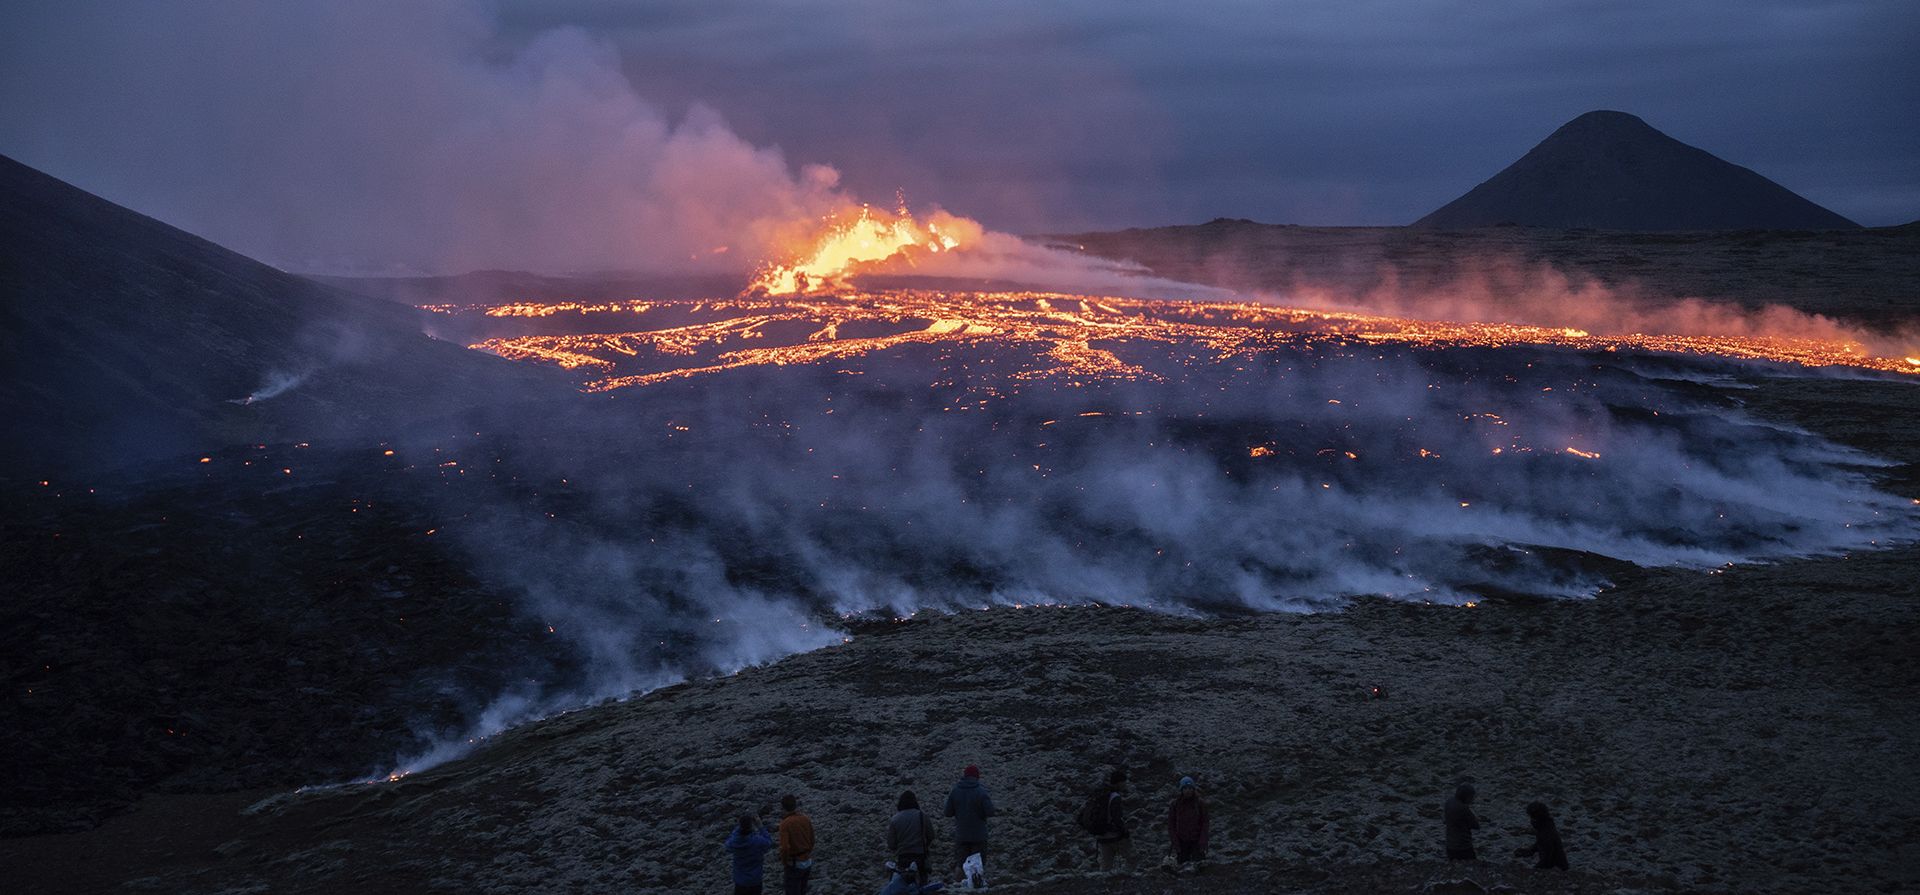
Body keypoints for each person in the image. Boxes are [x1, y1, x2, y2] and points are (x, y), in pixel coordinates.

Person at [944, 764, 996, 882]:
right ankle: (976, 888)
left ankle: (958, 888)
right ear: (977, 777)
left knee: (961, 864)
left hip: (962, 835)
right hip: (979, 835)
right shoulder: (981, 792)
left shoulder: (955, 791)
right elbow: (990, 812)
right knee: (977, 866)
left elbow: (947, 812)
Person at [886, 790, 936, 886]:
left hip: (903, 857)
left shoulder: (895, 819)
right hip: (920, 856)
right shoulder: (922, 816)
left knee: (904, 885)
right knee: (922, 885)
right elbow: (931, 835)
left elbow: (891, 844)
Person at [725, 812, 775, 895]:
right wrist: (760, 826)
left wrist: (739, 828)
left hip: (740, 881)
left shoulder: (735, 843)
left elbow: (728, 845)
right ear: (751, 826)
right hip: (755, 880)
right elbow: (769, 842)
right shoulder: (757, 841)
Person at [777, 794, 817, 894]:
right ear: (795, 805)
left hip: (794, 863)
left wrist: (785, 861)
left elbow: (785, 847)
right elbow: (812, 839)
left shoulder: (785, 824)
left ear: (783, 807)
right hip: (807, 861)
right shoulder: (805, 819)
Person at [1166, 776, 1209, 866]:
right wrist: (1176, 843)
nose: (1188, 790)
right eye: (1185, 788)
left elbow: (1205, 823)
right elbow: (1171, 825)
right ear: (1181, 790)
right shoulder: (1175, 804)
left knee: (1199, 868)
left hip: (1197, 841)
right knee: (1182, 869)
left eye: (1190, 788)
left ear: (1193, 789)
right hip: (1181, 842)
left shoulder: (1200, 804)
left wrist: (1203, 842)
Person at [1515, 801, 1568, 870]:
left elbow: (1547, 859)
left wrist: (1535, 870)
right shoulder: (1547, 826)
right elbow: (1540, 844)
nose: (1531, 821)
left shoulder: (1546, 832)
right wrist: (1530, 851)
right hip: (1559, 868)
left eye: (1533, 818)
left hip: (1557, 870)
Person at [1097, 769, 1132, 871]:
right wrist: (1124, 831)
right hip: (1114, 835)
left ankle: (1105, 886)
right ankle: (1126, 881)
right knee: (1132, 858)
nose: (1125, 784)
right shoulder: (1115, 797)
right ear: (1120, 782)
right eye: (1124, 782)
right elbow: (1117, 818)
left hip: (1101, 835)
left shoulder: (1101, 794)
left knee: (1105, 866)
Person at [1443, 783, 1480, 861]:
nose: (1472, 799)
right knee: (1473, 866)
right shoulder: (1463, 809)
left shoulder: (1449, 802)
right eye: (1471, 797)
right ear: (1466, 797)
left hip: (1450, 844)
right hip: (1463, 846)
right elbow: (1476, 826)